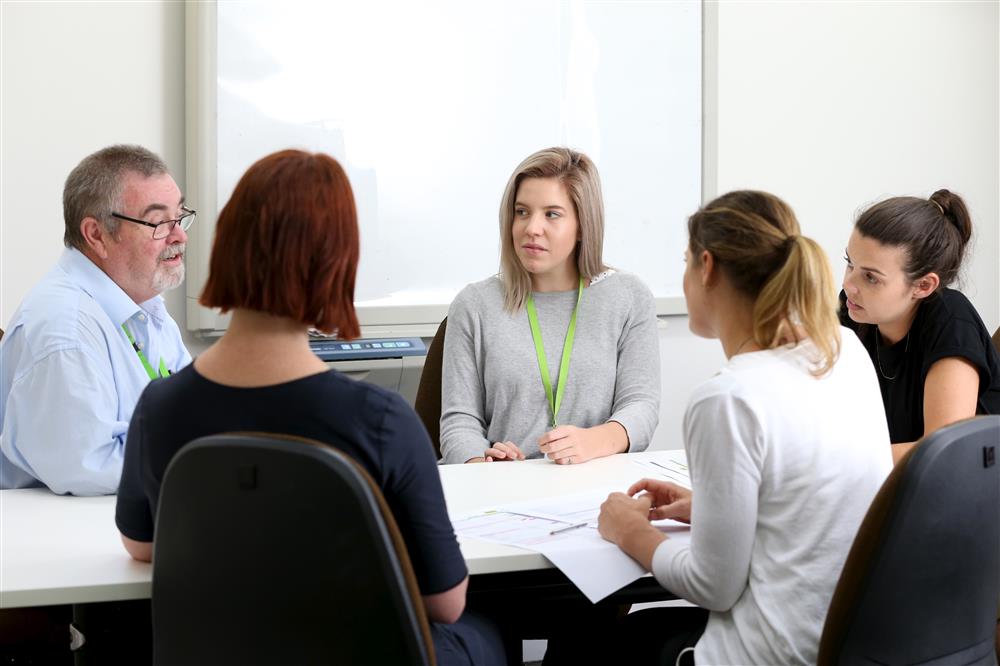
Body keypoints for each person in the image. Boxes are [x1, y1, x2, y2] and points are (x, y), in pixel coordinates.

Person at [114, 149, 504, 664]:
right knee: (491, 630)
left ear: (228, 244)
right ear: (335, 264)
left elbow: (141, 545)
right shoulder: (381, 421)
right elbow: (446, 602)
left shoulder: (159, 407)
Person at [596, 191, 893, 665]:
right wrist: (709, 508)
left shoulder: (728, 399)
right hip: (848, 643)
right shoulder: (845, 349)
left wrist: (629, 530)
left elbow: (711, 586)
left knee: (607, 644)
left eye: (686, 261)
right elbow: (815, 502)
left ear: (707, 267)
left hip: (770, 654)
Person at [440, 147, 660, 465]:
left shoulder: (628, 297)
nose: (532, 228)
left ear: (583, 224)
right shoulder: (474, 304)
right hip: (503, 492)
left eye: (552, 214)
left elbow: (641, 406)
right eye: (522, 212)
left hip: (595, 482)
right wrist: (484, 465)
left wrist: (592, 441)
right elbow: (458, 424)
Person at [0, 145, 192, 495]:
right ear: (96, 235)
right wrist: (202, 458)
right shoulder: (66, 327)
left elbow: (192, 413)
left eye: (179, 217)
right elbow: (89, 467)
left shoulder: (147, 308)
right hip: (53, 533)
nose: (180, 235)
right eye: (159, 222)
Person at [840, 189, 1000, 463]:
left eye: (870, 277)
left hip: (969, 489)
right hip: (895, 485)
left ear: (923, 286)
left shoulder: (951, 320)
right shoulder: (854, 309)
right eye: (849, 264)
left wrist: (836, 463)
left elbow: (944, 454)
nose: (849, 285)